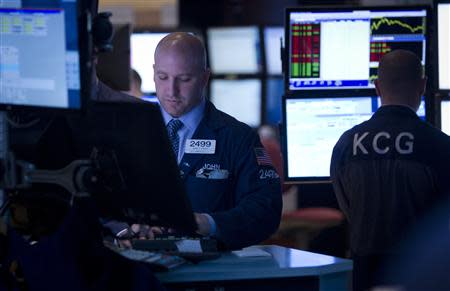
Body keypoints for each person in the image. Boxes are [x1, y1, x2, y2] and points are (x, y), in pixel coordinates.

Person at [141, 32, 282, 250]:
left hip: (211, 269)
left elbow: (266, 210)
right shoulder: (134, 129)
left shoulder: (238, 138)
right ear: (153, 73)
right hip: (142, 265)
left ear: (205, 78)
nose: (171, 90)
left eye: (184, 79)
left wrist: (210, 224)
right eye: (162, 77)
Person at [330, 49, 450, 291]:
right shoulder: (440, 145)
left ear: (377, 87)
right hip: (422, 273)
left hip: (364, 273)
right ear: (423, 85)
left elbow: (347, 207)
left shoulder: (345, 144)